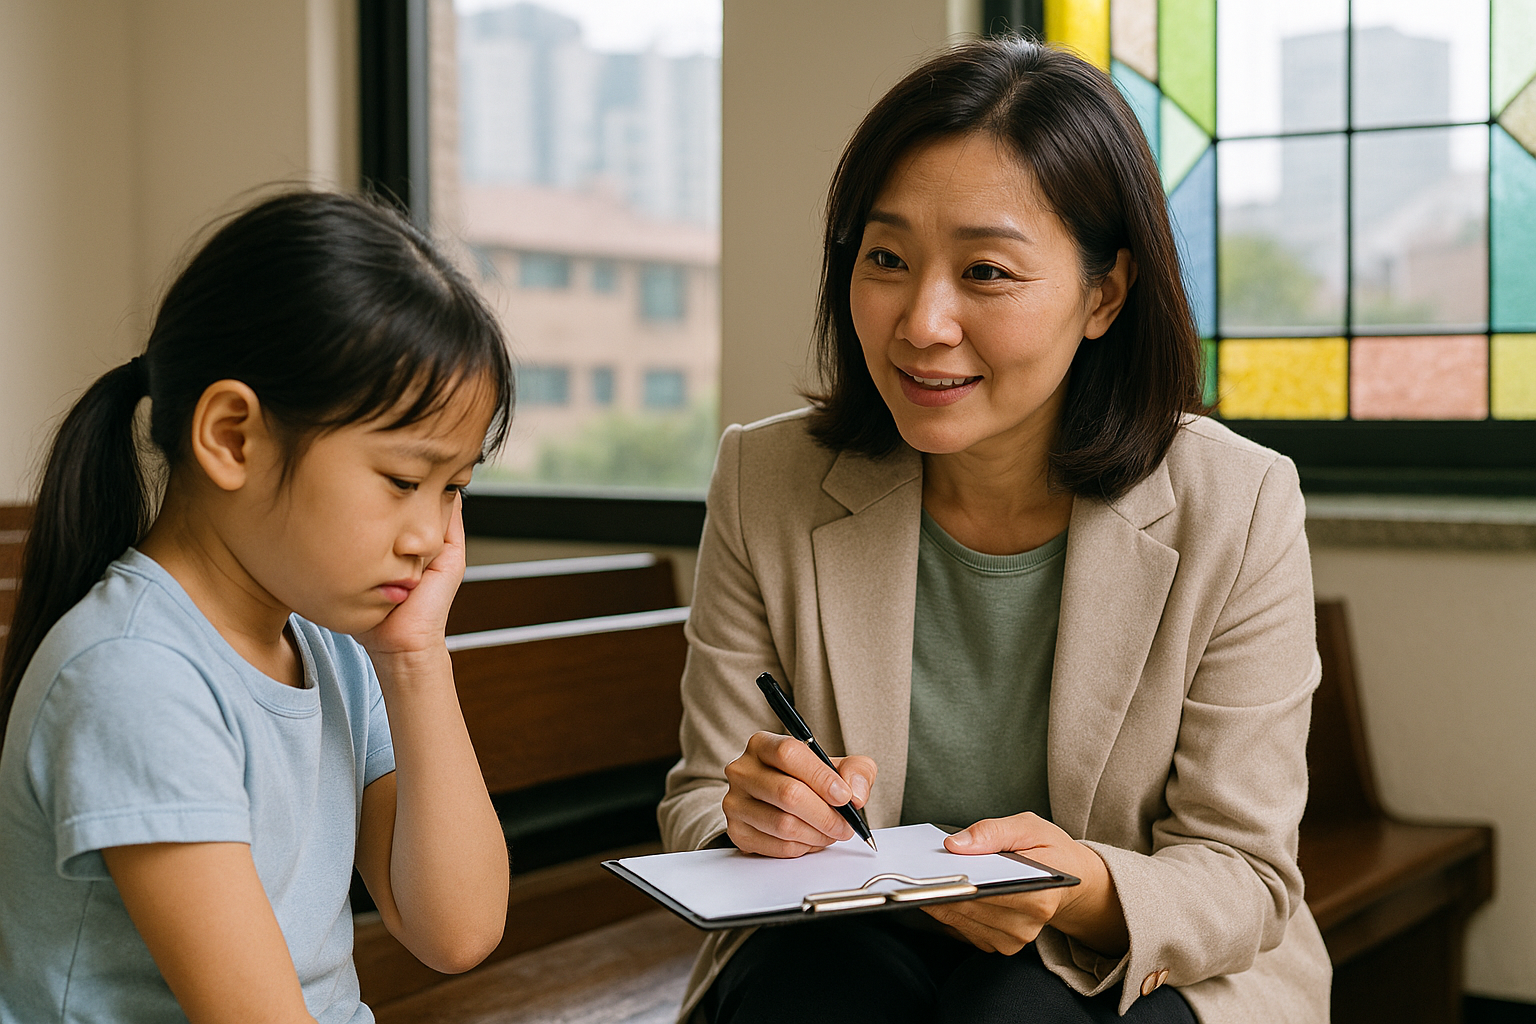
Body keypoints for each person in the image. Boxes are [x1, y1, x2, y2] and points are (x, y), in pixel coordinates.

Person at [659, 37, 1330, 1024]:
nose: (923, 321)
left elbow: (1243, 873)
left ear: (1103, 294)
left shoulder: (1237, 501)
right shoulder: (769, 478)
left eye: (985, 270)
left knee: (1011, 1014)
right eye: (886, 258)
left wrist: (1076, 888)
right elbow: (698, 804)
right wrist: (756, 816)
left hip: (1140, 961)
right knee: (807, 998)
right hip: (851, 942)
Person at [0, 192, 514, 1024]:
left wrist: (416, 660)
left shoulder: (334, 642)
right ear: (234, 437)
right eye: (402, 481)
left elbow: (456, 932)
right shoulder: (135, 676)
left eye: (453, 487)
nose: (431, 533)